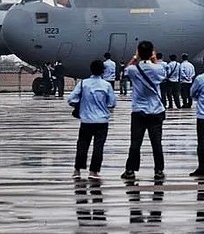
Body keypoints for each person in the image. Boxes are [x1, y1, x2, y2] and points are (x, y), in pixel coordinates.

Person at [121, 41, 167, 181]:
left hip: (139, 111)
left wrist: (135, 58)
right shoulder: (159, 69)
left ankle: (130, 170)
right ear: (152, 52)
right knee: (156, 143)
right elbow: (162, 74)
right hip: (156, 110)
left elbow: (125, 71)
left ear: (139, 53)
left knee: (135, 143)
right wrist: (153, 59)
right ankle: (158, 170)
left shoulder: (134, 70)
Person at [68, 60, 117, 180]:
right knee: (98, 147)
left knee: (82, 145)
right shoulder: (106, 85)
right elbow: (112, 103)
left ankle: (77, 170)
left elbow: (71, 99)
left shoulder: (83, 84)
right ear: (103, 71)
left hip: (86, 121)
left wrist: (80, 105)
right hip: (102, 121)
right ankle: (94, 171)